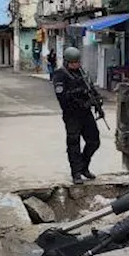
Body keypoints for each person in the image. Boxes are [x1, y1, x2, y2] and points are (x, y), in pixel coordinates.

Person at [50, 46, 100, 184]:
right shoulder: (60, 74)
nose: (77, 64)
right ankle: (76, 173)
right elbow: (62, 97)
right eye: (74, 62)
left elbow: (90, 87)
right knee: (74, 144)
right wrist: (78, 92)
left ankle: (84, 166)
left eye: (78, 62)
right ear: (67, 62)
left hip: (85, 112)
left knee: (94, 141)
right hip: (72, 115)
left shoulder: (81, 72)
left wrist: (96, 98)